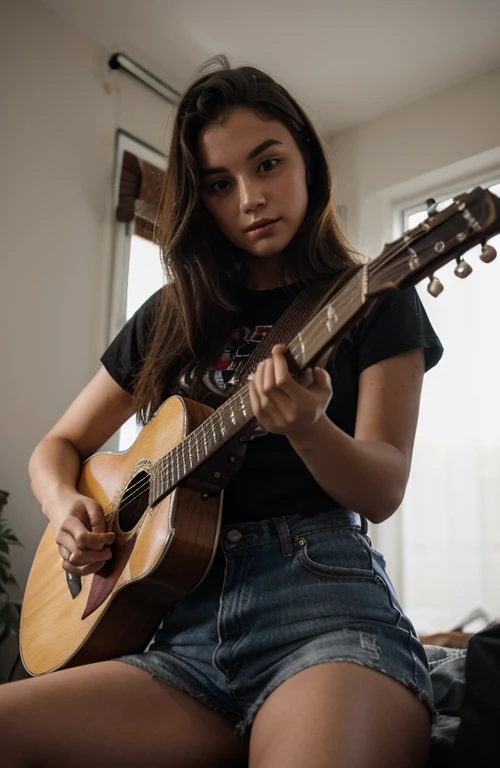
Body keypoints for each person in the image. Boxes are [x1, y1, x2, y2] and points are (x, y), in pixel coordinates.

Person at [0, 55, 443, 768]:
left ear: (306, 156)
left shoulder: (375, 297)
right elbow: (56, 446)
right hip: (180, 637)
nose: (250, 198)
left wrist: (306, 427)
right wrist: (63, 508)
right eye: (219, 184)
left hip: (323, 614)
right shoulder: (170, 316)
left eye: (267, 164)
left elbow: (383, 487)